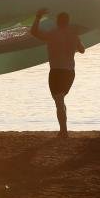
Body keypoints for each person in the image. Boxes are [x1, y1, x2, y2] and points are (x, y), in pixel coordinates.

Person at [31, 8, 85, 137]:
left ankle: (64, 131)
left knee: (59, 101)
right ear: (67, 22)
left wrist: (38, 17)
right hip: (70, 72)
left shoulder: (52, 34)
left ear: (57, 22)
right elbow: (82, 50)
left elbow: (34, 32)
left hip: (57, 71)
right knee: (60, 100)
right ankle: (63, 130)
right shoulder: (74, 35)